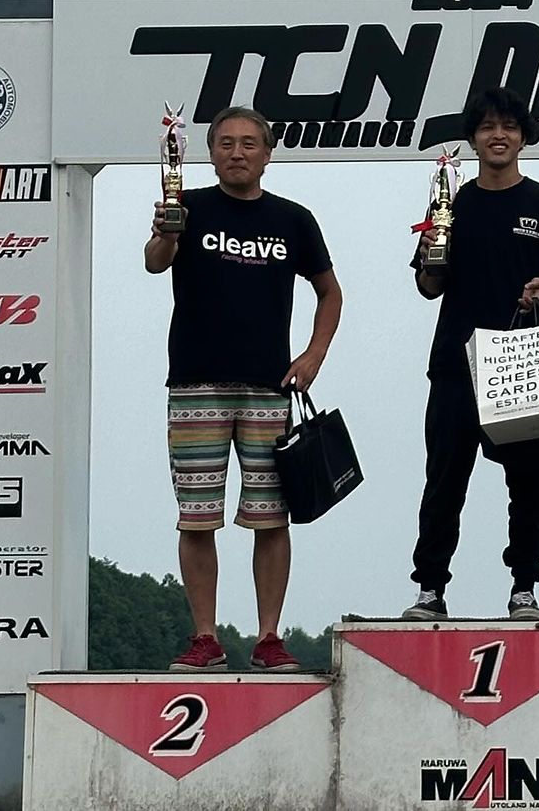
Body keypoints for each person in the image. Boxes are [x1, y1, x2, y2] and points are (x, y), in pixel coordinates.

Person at [144, 106, 343, 671]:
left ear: (267, 153)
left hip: (268, 386)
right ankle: (204, 638)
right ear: (210, 152)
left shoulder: (293, 219)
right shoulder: (186, 204)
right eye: (226, 142)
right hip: (195, 383)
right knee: (196, 516)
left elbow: (330, 292)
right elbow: (155, 263)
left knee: (271, 516)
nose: (237, 152)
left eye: (249, 143)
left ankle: (268, 637)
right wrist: (166, 234)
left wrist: (313, 355)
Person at [402, 87, 539, 621]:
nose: (498, 135)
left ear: (524, 136)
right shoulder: (451, 205)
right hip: (456, 364)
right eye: (487, 127)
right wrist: (431, 256)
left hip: (524, 362)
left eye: (508, 126)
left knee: (529, 483)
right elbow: (428, 287)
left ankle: (524, 587)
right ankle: (430, 589)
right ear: (473, 138)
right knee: (443, 481)